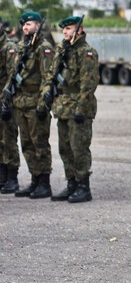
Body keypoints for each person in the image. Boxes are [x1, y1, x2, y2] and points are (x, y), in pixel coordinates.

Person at [2, 11, 54, 199]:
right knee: (27, 144)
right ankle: (34, 179)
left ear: (38, 26)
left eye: (29, 24)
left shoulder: (44, 47)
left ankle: (44, 182)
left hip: (35, 103)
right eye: (23, 25)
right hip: (21, 103)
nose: (25, 28)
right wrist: (7, 95)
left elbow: (48, 77)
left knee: (39, 143)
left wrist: (43, 104)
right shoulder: (24, 46)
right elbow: (14, 74)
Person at [47, 16, 98, 203]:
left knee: (79, 148)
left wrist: (81, 109)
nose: (65, 32)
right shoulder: (62, 50)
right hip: (62, 107)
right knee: (65, 148)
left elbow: (89, 84)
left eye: (68, 28)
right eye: (64, 29)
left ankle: (84, 186)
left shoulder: (87, 52)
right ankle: (72, 184)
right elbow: (52, 75)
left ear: (79, 29)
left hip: (79, 107)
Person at [0, 17, 21, 194]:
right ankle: (2, 175)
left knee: (8, 139)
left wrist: (5, 100)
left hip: (6, 100)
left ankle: (12, 177)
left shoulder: (9, 48)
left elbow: (12, 76)